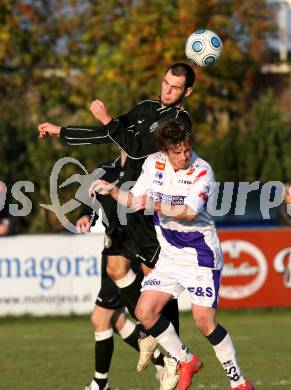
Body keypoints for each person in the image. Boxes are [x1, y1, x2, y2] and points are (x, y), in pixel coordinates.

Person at [38, 63, 194, 356]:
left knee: (155, 276)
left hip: (148, 203)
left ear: (187, 91)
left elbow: (135, 147)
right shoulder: (147, 107)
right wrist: (62, 131)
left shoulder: (178, 122)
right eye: (165, 82)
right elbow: (110, 133)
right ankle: (153, 335)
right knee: (116, 267)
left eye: (174, 87)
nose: (166, 89)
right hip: (124, 197)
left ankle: (174, 353)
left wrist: (108, 118)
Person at [90, 119, 254, 390]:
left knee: (204, 322)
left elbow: (189, 212)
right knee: (145, 311)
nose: (184, 156)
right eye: (177, 152)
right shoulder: (153, 163)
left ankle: (238, 382)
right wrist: (113, 190)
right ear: (166, 150)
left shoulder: (202, 170)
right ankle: (184, 359)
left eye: (187, 150)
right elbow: (134, 201)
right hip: (170, 256)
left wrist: (155, 204)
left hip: (200, 255)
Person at [76, 152, 165, 390]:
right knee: (112, 320)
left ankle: (100, 383)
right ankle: (163, 361)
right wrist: (85, 215)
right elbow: (90, 199)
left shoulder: (147, 170)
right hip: (112, 247)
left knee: (101, 318)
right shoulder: (104, 170)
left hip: (131, 250)